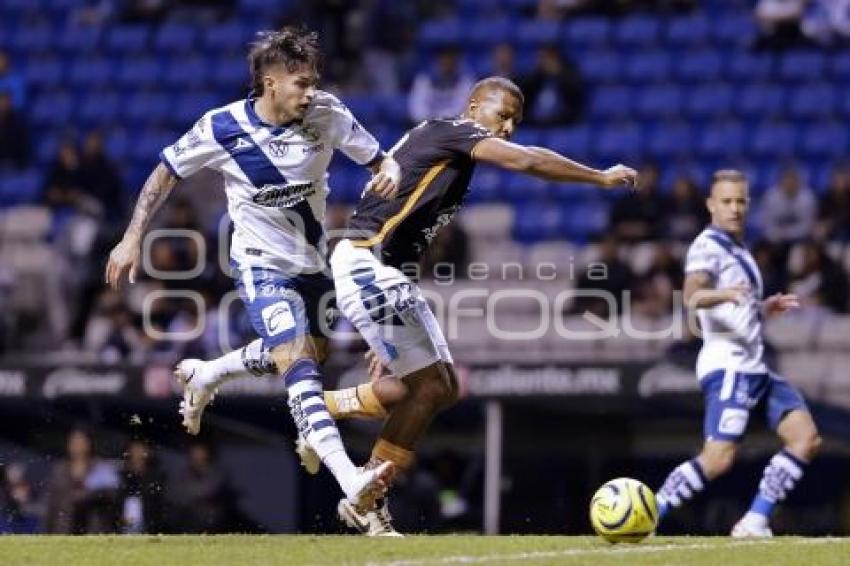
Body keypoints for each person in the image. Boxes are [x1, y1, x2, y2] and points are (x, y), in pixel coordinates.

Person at [321, 77, 636, 535]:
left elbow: (403, 235)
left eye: (514, 121)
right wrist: (599, 176)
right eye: (501, 115)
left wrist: (383, 333)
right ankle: (359, 484)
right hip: (365, 262)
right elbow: (527, 160)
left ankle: (327, 414)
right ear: (474, 106)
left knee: (442, 388)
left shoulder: (448, 155)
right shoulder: (454, 131)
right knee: (428, 386)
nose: (507, 127)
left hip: (381, 270)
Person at [104, 26, 399, 511]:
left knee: (311, 352)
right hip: (260, 267)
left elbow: (379, 160)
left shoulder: (327, 112)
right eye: (300, 82)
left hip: (313, 262)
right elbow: (165, 173)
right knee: (300, 367)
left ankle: (207, 374)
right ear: (270, 82)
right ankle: (350, 480)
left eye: (312, 81)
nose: (310, 91)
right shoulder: (220, 127)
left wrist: (386, 169)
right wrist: (133, 235)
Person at [654, 170, 822, 537]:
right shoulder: (707, 246)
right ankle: (651, 512)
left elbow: (737, 303)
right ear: (711, 205)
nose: (735, 208)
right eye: (727, 201)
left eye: (741, 201)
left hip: (754, 366)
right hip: (729, 366)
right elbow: (692, 295)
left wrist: (763, 306)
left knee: (805, 438)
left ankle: (754, 521)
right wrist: (724, 295)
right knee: (718, 460)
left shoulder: (739, 249)